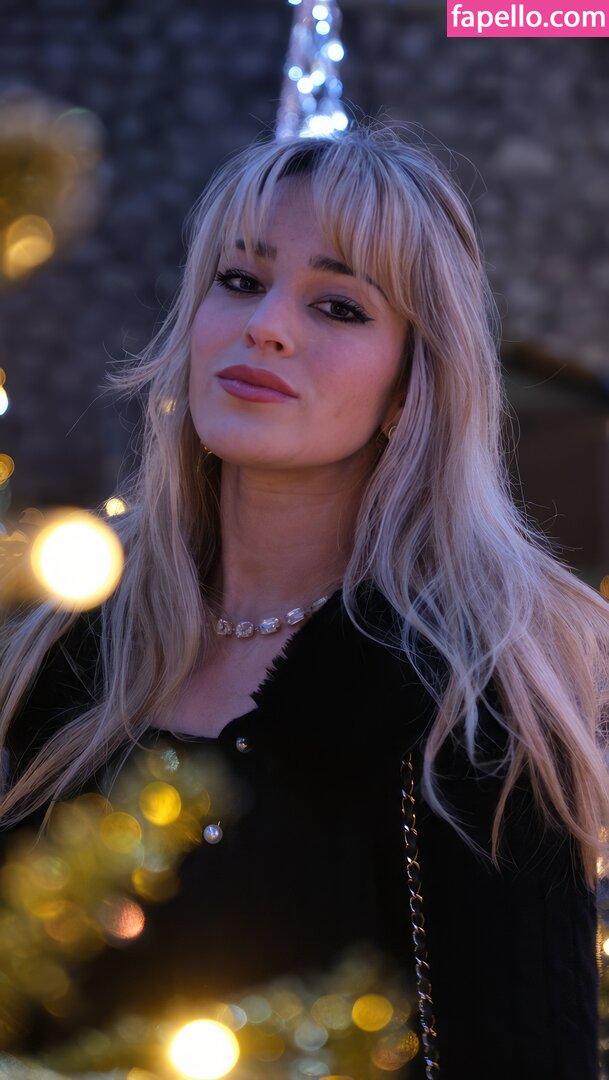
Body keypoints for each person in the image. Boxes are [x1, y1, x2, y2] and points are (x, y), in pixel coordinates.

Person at [0, 120, 607, 1080]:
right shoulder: (66, 642)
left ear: (410, 384)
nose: (266, 325)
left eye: (338, 305)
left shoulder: (469, 704)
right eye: (239, 281)